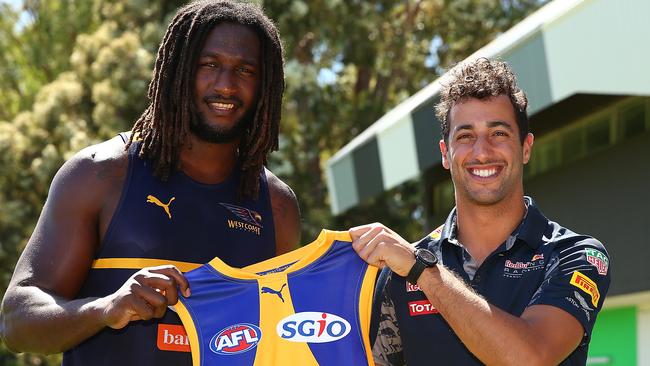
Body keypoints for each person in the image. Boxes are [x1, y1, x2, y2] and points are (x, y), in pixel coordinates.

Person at [1, 1, 300, 365]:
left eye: (244, 70)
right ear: (178, 70)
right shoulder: (101, 174)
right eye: (208, 65)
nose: (225, 85)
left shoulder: (276, 206)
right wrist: (105, 308)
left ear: (265, 84)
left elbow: (286, 340)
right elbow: (16, 321)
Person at [350, 58, 610, 365]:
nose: (482, 151)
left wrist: (424, 273)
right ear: (445, 154)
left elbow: (530, 358)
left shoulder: (574, 255)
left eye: (498, 133)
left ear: (525, 148)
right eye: (465, 136)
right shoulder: (397, 272)